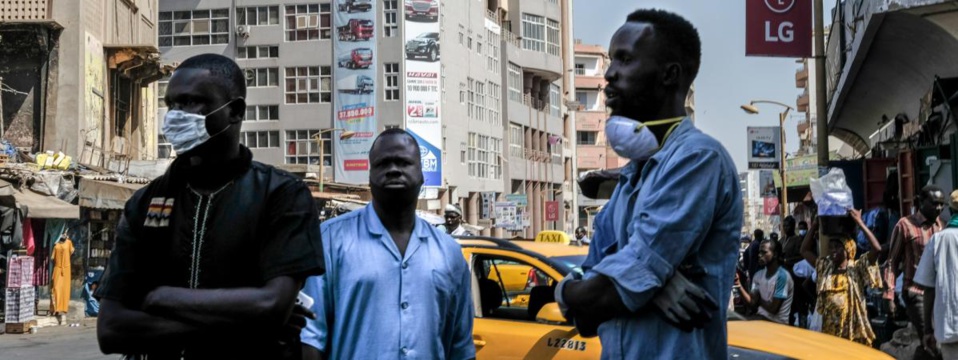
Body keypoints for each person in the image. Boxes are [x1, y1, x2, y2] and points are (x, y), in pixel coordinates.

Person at [94, 54, 325, 359]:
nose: (175, 115)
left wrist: (161, 298)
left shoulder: (280, 194)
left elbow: (272, 305)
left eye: (191, 102)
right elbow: (111, 330)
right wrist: (245, 326)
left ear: (235, 111)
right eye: (171, 104)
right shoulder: (145, 202)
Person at [556, 9, 742, 359]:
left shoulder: (698, 159)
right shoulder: (632, 175)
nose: (610, 73)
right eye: (612, 59)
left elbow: (603, 296)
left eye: (625, 60)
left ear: (669, 75)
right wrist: (652, 284)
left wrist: (576, 291)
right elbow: (586, 318)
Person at [301, 129, 474, 360]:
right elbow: (310, 339)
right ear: (370, 176)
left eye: (403, 162)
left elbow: (461, 348)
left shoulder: (449, 253)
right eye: (383, 163)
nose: (393, 169)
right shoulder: (330, 240)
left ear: (422, 175)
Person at [801, 208, 882, 346]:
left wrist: (860, 222)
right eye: (831, 247)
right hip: (829, 332)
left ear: (848, 248)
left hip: (851, 331)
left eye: (837, 247)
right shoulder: (825, 267)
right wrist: (814, 224)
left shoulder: (856, 268)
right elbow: (804, 250)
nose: (832, 250)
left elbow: (877, 249)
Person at [885, 185, 946, 351]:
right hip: (916, 292)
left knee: (936, 342)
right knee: (930, 340)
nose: (939, 208)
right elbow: (892, 262)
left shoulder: (942, 226)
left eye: (942, 204)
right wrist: (889, 295)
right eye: (934, 203)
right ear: (921, 202)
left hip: (939, 294)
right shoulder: (905, 225)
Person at [915, 190, 958, 360]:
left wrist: (927, 330)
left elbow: (929, 288)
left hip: (950, 328)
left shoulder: (938, 240)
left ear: (950, 211)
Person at [735, 239, 792, 324]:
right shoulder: (758, 275)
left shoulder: (782, 276)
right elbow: (752, 304)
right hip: (762, 319)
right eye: (759, 252)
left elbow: (773, 309)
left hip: (777, 323)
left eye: (764, 252)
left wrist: (758, 300)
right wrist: (739, 285)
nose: (759, 255)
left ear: (775, 254)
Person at [783, 218, 811, 327]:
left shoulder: (798, 240)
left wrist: (787, 261)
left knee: (799, 304)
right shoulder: (782, 240)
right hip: (784, 278)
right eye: (784, 226)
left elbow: (801, 257)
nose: (786, 228)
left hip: (796, 278)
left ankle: (802, 327)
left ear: (793, 226)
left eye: (788, 226)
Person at [51, 232, 74, 325]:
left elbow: (72, 251)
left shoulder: (69, 242)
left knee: (65, 289)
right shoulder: (56, 243)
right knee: (56, 288)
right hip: (57, 268)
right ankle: (56, 308)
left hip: (66, 268)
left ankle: (63, 309)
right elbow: (53, 257)